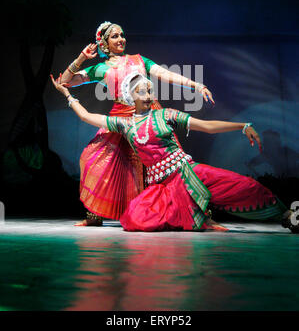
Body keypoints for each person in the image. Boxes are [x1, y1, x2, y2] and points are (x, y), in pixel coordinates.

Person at [50, 72, 298, 233]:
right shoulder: (126, 125)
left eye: (150, 91)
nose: (148, 95)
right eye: (142, 92)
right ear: (130, 97)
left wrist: (242, 126)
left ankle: (287, 214)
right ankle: (198, 216)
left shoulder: (165, 115)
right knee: (133, 218)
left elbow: (207, 127)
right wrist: (67, 94)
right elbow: (86, 116)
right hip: (164, 187)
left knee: (244, 186)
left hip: (189, 173)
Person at [58, 21, 214, 226]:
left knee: (170, 166)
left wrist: (196, 85)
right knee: (95, 161)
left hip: (149, 116)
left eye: (122, 35)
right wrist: (81, 58)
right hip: (121, 119)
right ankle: (97, 215)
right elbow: (64, 82)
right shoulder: (100, 68)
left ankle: (197, 214)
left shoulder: (139, 60)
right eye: (114, 36)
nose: (121, 39)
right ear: (103, 43)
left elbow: (166, 75)